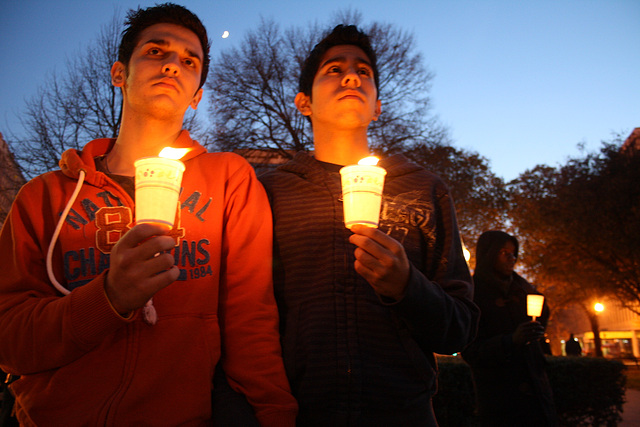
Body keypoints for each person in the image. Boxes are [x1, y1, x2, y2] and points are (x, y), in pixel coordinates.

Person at [0, 4, 297, 426]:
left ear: (196, 96)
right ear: (119, 73)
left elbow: (252, 321)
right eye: (156, 51)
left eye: (189, 61)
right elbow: (9, 338)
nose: (173, 64)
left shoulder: (229, 180)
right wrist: (108, 298)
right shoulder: (43, 197)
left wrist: (275, 416)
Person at [258, 24, 479, 426]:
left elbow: (460, 328)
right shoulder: (269, 193)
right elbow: (247, 315)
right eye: (333, 69)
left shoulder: (423, 189)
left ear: (378, 106)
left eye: (364, 72)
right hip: (299, 413)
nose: (351, 76)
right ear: (303, 102)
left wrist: (407, 287)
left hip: (404, 414)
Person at [462, 230, 557, 426]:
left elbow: (539, 321)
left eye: (514, 253)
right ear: (489, 254)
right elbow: (471, 351)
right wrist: (510, 341)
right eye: (504, 252)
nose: (512, 259)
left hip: (537, 396)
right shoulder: (473, 293)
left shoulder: (523, 289)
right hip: (501, 400)